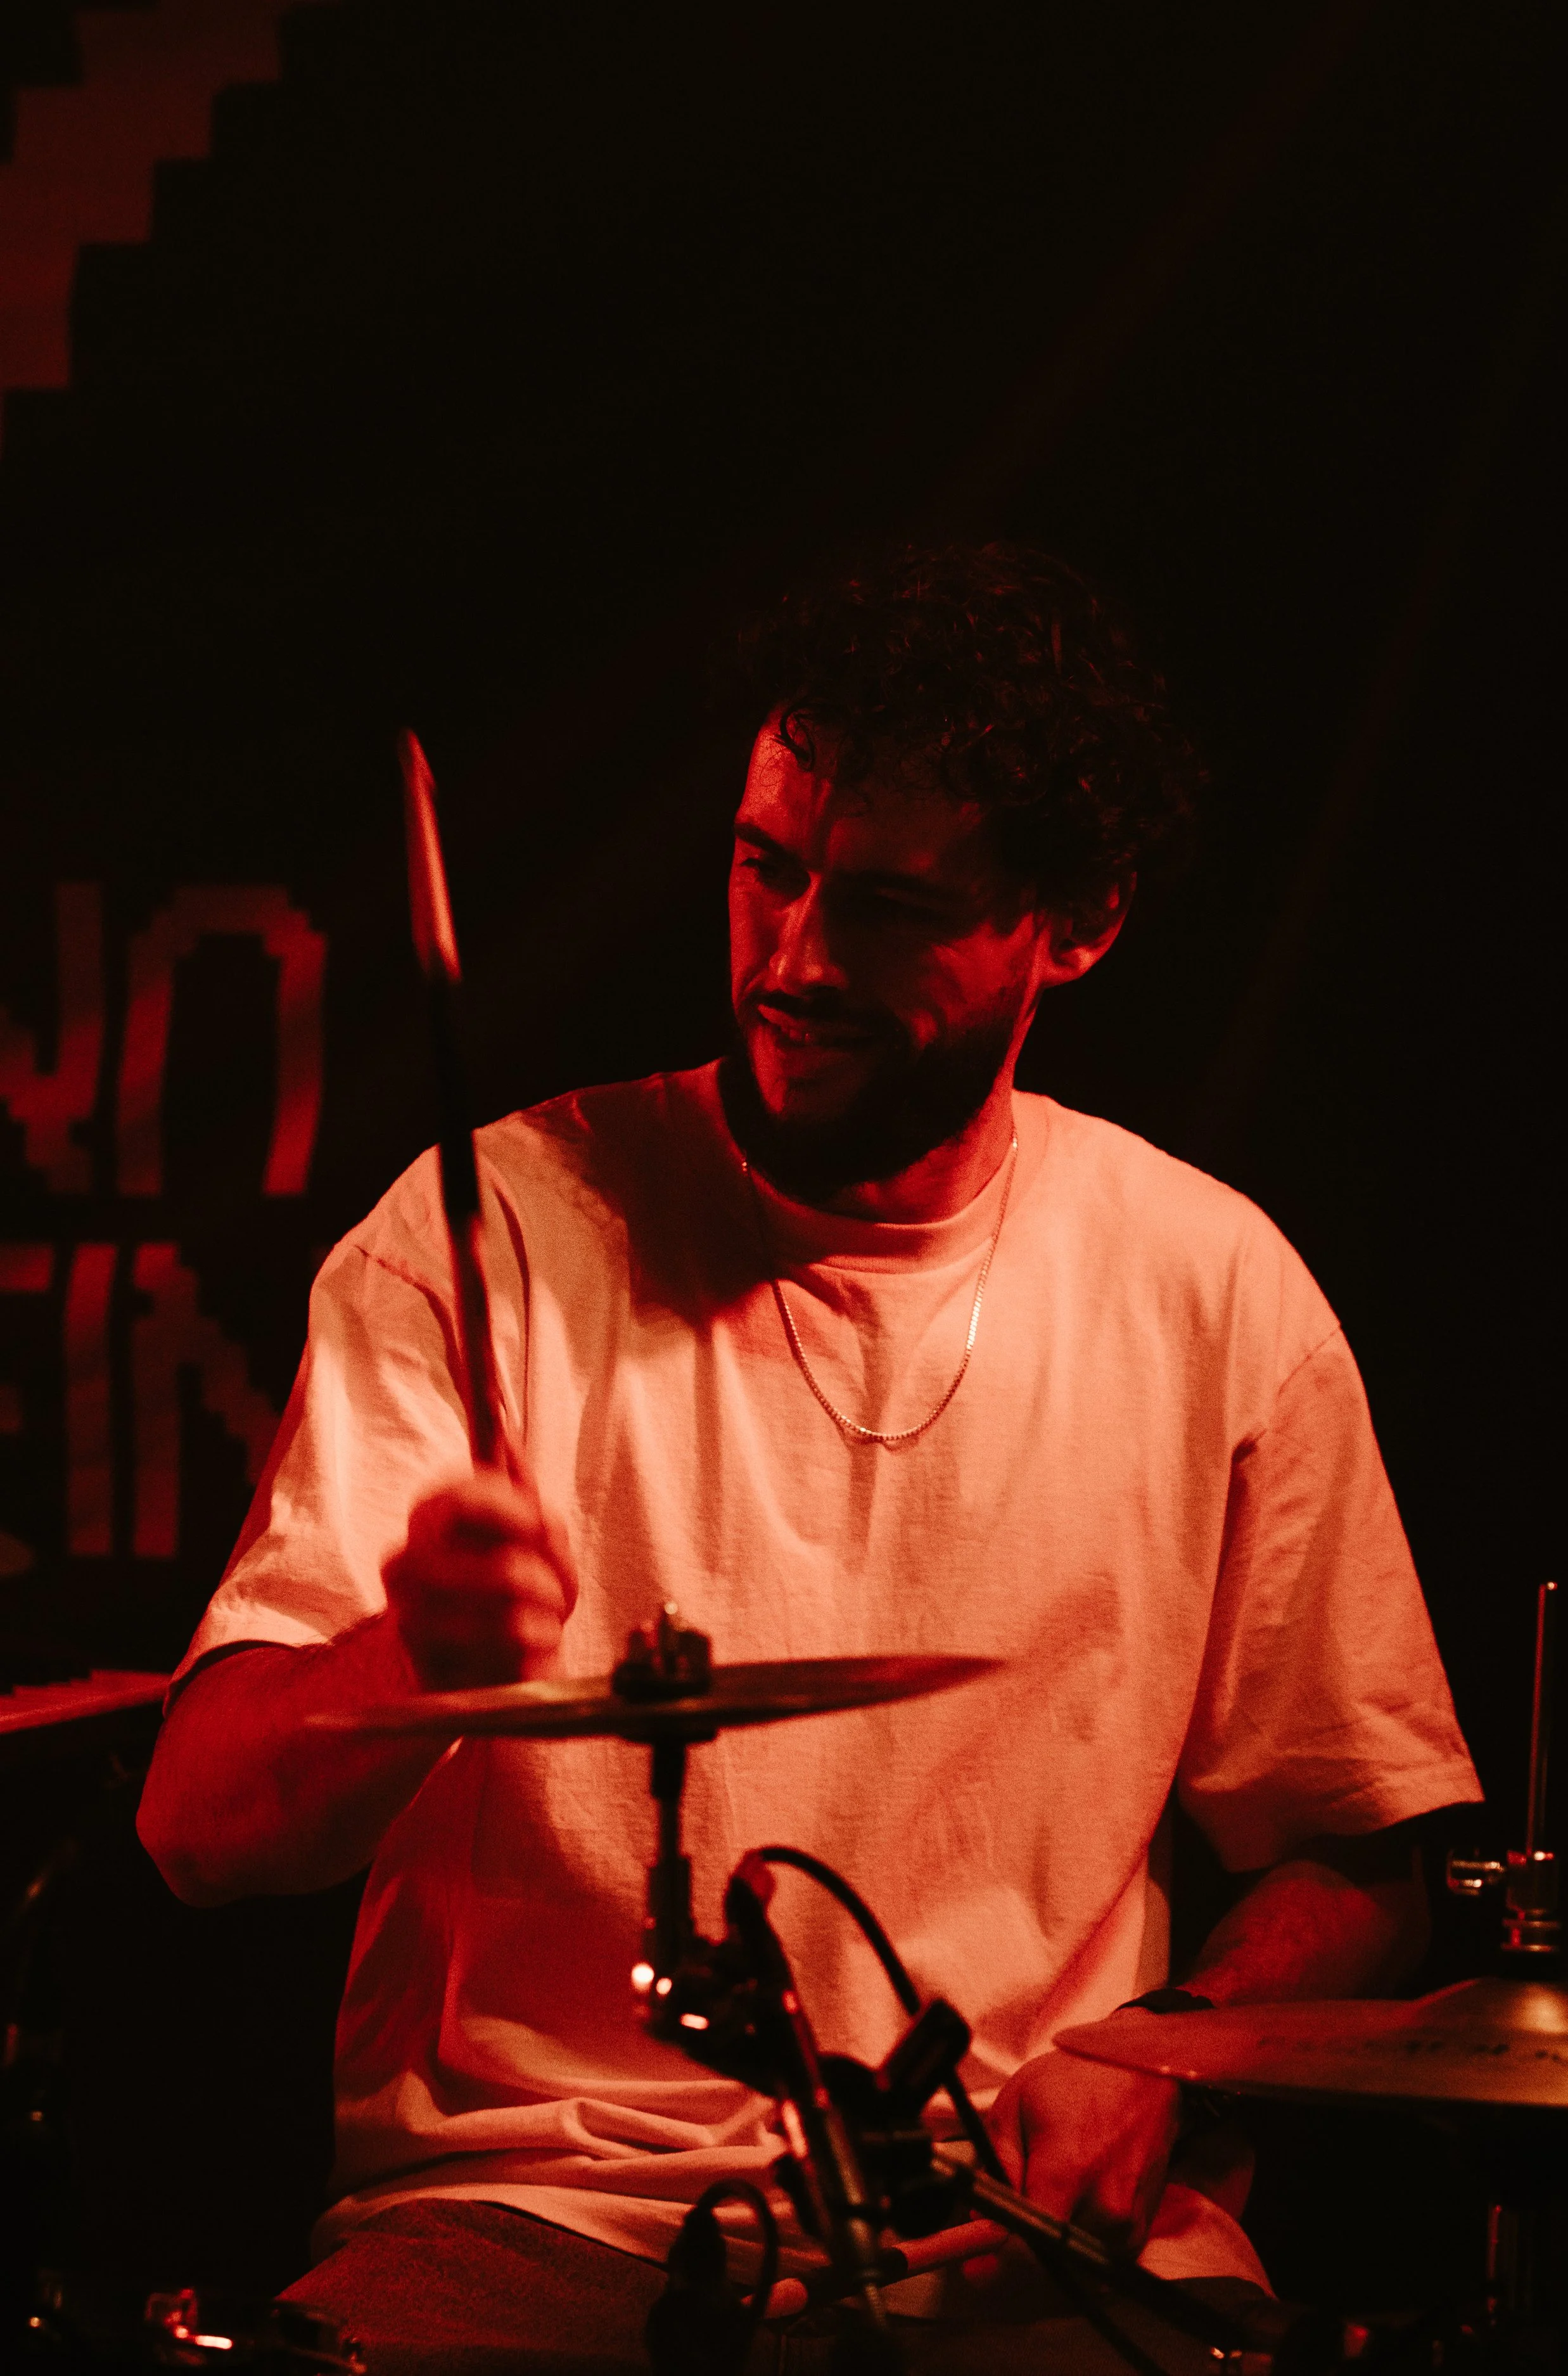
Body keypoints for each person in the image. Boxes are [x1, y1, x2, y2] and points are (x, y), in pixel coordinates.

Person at [137, 545, 1480, 2373]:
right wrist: (411, 1668)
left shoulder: (1209, 1286)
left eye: (889, 907)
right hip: (534, 2215)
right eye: (765, 867)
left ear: (1071, 921)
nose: (790, 958)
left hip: (1011, 2225)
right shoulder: (494, 1238)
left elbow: (1360, 1858)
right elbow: (195, 1826)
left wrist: (1142, 2051)